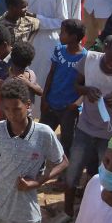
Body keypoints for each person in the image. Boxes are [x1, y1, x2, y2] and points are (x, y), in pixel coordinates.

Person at [0, 78, 68, 223]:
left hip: (25, 213)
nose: (11, 114)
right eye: (6, 109)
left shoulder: (44, 133)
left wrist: (37, 182)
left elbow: (62, 162)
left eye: (16, 109)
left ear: (28, 105)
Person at [65, 34, 112, 218]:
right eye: (111, 58)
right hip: (85, 127)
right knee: (73, 171)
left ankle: (96, 213)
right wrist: (86, 91)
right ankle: (68, 210)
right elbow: (76, 85)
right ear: (104, 47)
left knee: (105, 176)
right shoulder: (89, 59)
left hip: (111, 133)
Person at [24, 0, 68, 112]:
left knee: (42, 77)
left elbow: (62, 21)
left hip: (48, 42)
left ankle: (40, 112)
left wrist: (38, 19)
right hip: (29, 39)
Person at [41, 18, 87, 156]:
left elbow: (85, 83)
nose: (60, 35)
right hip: (51, 103)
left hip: (69, 109)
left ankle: (63, 172)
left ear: (73, 37)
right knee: (42, 138)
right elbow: (51, 73)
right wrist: (44, 97)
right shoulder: (59, 50)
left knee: (67, 143)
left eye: (63, 33)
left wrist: (76, 104)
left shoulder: (85, 57)